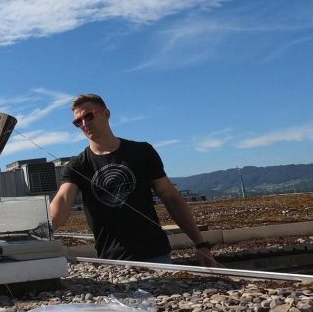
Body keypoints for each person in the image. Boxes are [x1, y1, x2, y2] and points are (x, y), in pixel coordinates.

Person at [49, 93, 218, 267]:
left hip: (156, 256)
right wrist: (39, 233)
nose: (84, 124)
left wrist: (200, 243)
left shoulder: (142, 152)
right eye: (78, 122)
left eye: (89, 116)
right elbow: (63, 199)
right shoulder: (77, 166)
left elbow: (171, 197)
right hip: (111, 261)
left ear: (106, 114)